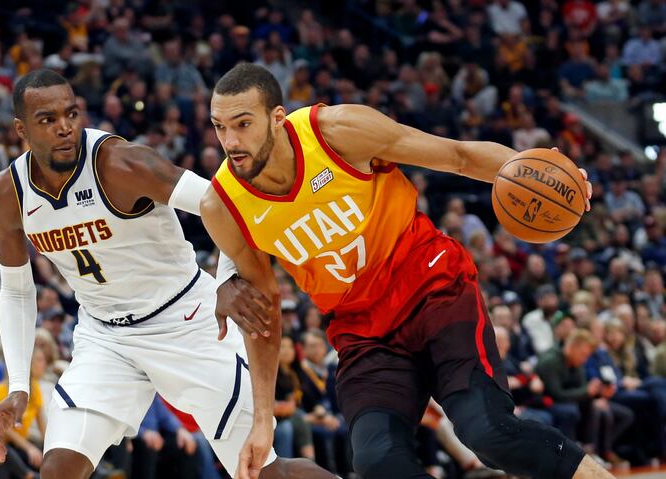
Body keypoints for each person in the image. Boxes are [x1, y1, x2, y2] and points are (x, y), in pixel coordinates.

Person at [201, 63, 609, 479]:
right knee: (378, 462)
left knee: (488, 432)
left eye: (243, 124)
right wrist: (263, 420)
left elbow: (458, 156)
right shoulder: (222, 206)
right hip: (363, 330)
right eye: (219, 127)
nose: (230, 142)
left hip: (432, 288)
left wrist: (539, 171)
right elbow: (262, 312)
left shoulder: (338, 132)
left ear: (277, 118)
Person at [0, 69, 332, 479]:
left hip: (186, 321)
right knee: (58, 470)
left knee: (261, 473)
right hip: (106, 336)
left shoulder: (123, 164)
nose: (65, 128)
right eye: (48, 119)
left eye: (71, 114)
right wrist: (19, 385)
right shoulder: (7, 194)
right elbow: (17, 292)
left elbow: (227, 203)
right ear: (21, 129)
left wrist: (226, 278)